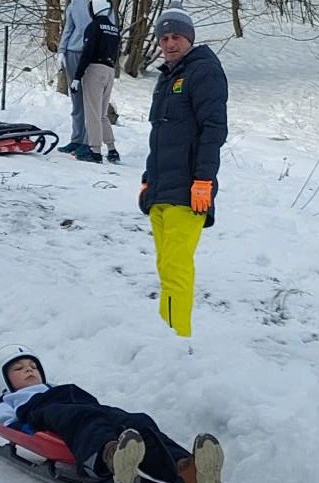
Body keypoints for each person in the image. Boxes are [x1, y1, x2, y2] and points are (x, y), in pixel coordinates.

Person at [0, 344, 224, 483]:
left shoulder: (55, 386)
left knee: (138, 421)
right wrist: (27, 432)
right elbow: (4, 423)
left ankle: (188, 469)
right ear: (2, 380)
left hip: (91, 407)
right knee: (85, 420)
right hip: (46, 412)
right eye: (18, 368)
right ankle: (109, 456)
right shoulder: (9, 400)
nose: (29, 370)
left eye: (33, 366)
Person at [139, 1, 227, 338]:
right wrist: (148, 180)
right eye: (164, 39)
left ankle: (178, 344)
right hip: (162, 190)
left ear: (189, 38)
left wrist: (203, 180)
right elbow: (160, 135)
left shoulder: (203, 72)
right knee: (165, 270)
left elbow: (213, 129)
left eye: (176, 37)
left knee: (176, 270)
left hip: (189, 191)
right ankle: (166, 341)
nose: (170, 44)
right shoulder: (168, 78)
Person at [71, 0, 120, 164]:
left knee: (92, 113)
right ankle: (112, 149)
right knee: (102, 114)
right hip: (110, 71)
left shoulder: (94, 27)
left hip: (94, 70)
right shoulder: (114, 29)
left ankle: (95, 151)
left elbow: (87, 52)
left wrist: (77, 76)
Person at [56, 0, 93, 158]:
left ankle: (88, 141)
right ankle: (77, 138)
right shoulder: (74, 5)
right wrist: (61, 50)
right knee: (76, 99)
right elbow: (68, 29)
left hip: (92, 54)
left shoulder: (102, 4)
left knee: (90, 99)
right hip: (73, 52)